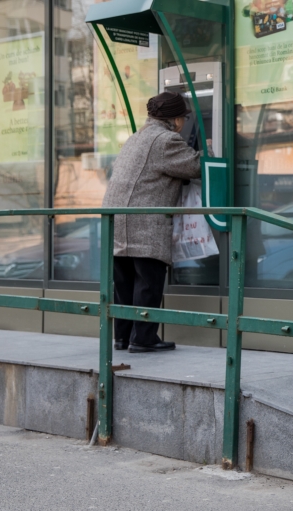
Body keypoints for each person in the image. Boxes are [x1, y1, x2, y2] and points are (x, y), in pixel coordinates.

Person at [102, 91, 201, 353]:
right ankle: (143, 338)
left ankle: (122, 337)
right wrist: (209, 151)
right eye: (184, 118)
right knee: (148, 281)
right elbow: (195, 166)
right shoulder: (166, 140)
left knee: (124, 283)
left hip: (117, 220)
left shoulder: (136, 137)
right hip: (144, 222)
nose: (184, 123)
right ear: (176, 120)